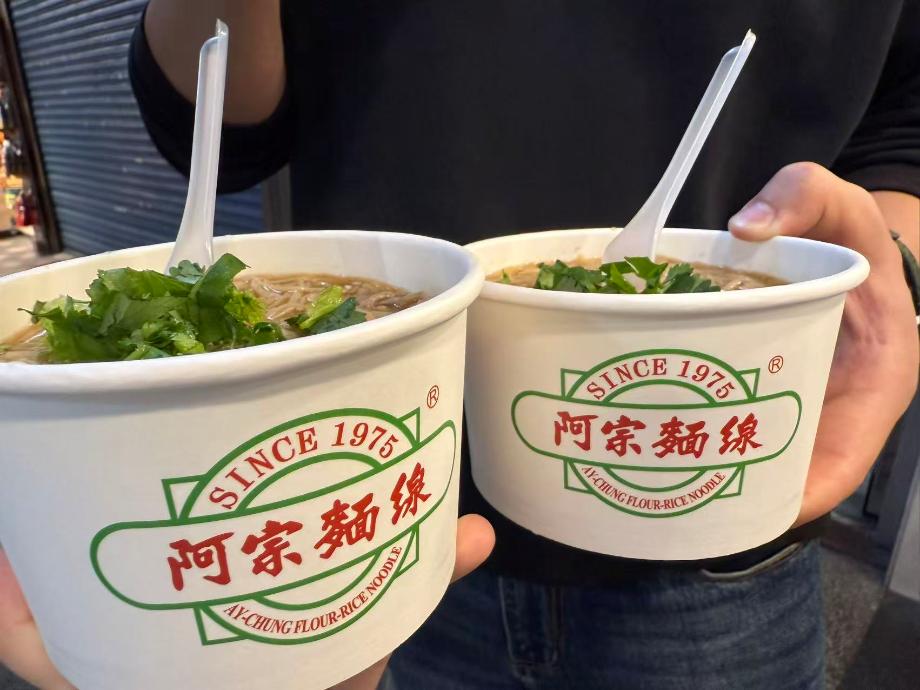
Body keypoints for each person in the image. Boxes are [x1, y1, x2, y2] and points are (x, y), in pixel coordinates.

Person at [3, 2, 918, 688]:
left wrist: (895, 276)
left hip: (726, 534)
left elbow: (906, 124)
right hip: (388, 526)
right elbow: (211, 127)